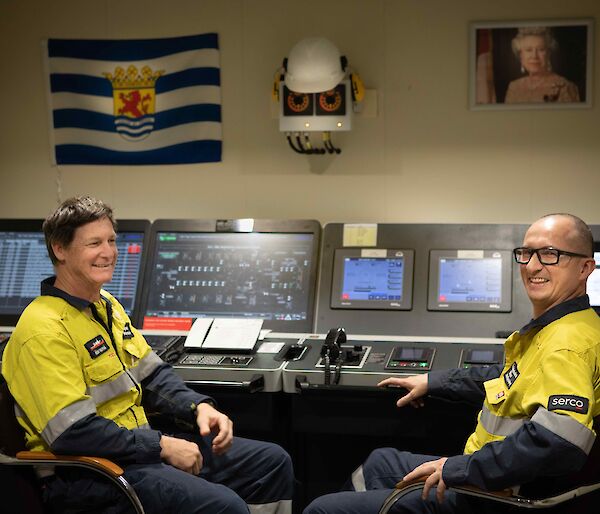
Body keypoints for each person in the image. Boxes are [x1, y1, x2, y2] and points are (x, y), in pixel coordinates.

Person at [1, 196, 294, 514]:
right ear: (60, 249)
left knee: (271, 462)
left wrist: (198, 408)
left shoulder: (106, 305)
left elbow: (152, 374)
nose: (109, 252)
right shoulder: (43, 329)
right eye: (94, 243)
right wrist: (163, 446)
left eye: (111, 240)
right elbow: (74, 432)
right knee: (224, 506)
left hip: (133, 449)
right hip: (88, 474)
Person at [304, 213, 600, 514]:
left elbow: (558, 443)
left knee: (322, 509)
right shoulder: (563, 327)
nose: (533, 266)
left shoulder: (567, 344)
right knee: (378, 464)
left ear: (585, 267)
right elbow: (510, 378)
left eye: (550, 254)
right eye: (526, 254)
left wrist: (457, 468)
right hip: (491, 474)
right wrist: (434, 381)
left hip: (500, 496)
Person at [505, 27, 580, 104]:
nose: (534, 56)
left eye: (541, 49)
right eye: (528, 50)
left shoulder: (565, 87)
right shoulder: (514, 87)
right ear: (521, 55)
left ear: (548, 54)